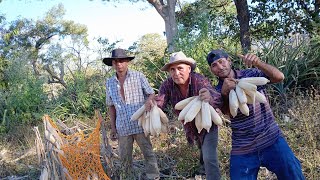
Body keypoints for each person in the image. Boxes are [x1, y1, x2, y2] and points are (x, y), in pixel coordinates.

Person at [206, 49, 305, 179]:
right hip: (243, 146)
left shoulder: (251, 74)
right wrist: (225, 93)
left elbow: (279, 77)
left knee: (293, 174)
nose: (219, 67)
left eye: (221, 62)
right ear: (211, 70)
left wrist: (258, 62)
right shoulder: (216, 91)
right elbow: (227, 112)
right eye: (214, 65)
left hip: (271, 137)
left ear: (229, 61)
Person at [155, 51, 223, 180]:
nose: (176, 73)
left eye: (180, 68)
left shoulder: (198, 80)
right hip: (190, 125)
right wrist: (152, 104)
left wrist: (209, 97)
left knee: (209, 157)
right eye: (172, 70)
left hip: (208, 123)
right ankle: (203, 172)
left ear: (189, 68)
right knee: (202, 150)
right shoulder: (167, 85)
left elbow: (217, 97)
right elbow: (160, 102)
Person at [103, 48, 160, 180]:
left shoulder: (138, 76)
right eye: (115, 62)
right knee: (125, 158)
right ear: (112, 64)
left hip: (140, 123)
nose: (119, 64)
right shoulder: (110, 82)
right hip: (122, 126)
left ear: (127, 62)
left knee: (148, 153)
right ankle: (126, 177)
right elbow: (111, 106)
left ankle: (154, 176)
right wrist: (113, 127)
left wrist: (148, 102)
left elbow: (151, 93)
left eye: (122, 61)